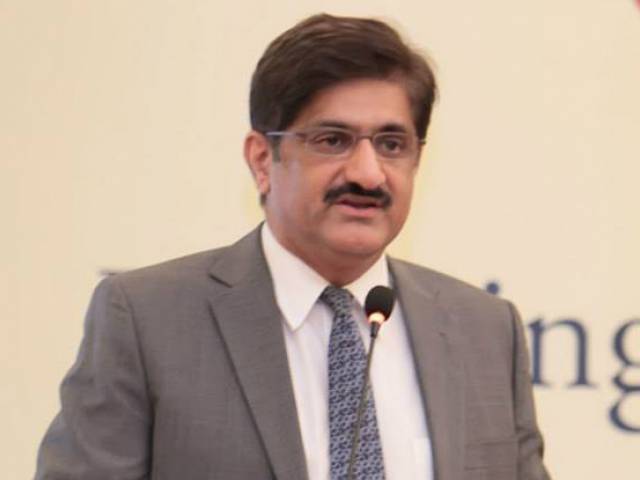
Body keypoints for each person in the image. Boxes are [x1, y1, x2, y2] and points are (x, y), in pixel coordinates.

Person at [35, 13, 550, 480]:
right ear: (263, 159)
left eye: (392, 145)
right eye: (333, 140)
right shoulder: (148, 320)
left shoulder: (485, 330)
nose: (368, 174)